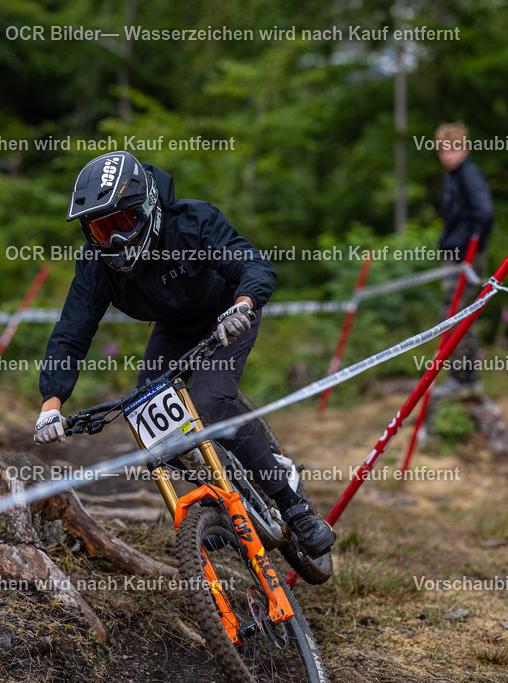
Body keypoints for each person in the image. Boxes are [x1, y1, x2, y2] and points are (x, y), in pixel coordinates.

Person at [33, 151, 335, 560]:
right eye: (101, 232)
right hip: (174, 328)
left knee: (209, 402)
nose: (114, 241)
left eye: (121, 225)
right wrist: (51, 405)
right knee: (150, 424)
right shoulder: (96, 265)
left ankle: (293, 505)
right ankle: (215, 500)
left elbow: (252, 264)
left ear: (147, 208)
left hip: (228, 313)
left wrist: (244, 305)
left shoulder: (192, 222)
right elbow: (72, 332)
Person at [432, 122, 494, 397]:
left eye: (452, 149)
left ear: (465, 148)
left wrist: (473, 245)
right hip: (455, 252)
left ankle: (462, 378)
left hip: (466, 256)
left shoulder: (469, 175)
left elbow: (484, 212)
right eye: (442, 151)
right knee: (458, 312)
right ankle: (466, 378)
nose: (447, 155)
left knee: (456, 312)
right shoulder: (452, 177)